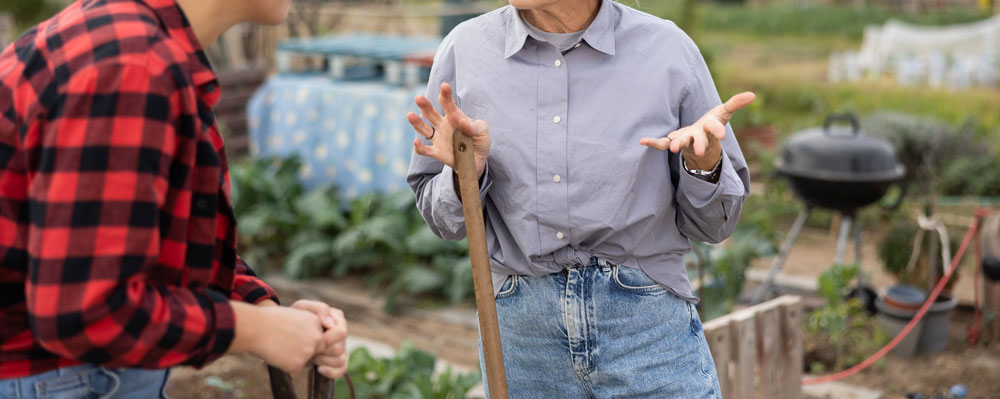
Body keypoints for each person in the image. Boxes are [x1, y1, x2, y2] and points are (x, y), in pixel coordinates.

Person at [0, 0, 348, 397]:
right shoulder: (133, 67)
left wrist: (266, 314)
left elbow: (149, 243)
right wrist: (254, 330)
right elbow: (84, 311)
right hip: (62, 377)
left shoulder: (131, 39)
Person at [406, 0, 753, 397]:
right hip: (523, 337)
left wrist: (704, 164)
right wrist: (466, 172)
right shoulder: (465, 50)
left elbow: (715, 225)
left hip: (646, 328)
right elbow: (441, 218)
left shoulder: (666, 49)